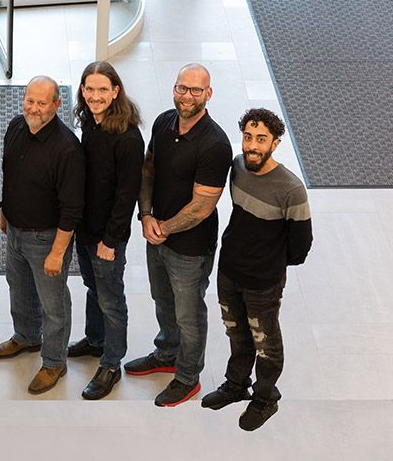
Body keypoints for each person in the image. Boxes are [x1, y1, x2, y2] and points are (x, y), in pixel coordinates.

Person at [126, 63, 233, 407]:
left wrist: (163, 227)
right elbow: (147, 170)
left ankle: (187, 376)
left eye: (196, 90)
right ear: (174, 89)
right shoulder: (162, 122)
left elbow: (202, 206)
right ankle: (166, 353)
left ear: (209, 94)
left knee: (189, 313)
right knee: (162, 298)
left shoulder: (215, 144)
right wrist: (145, 216)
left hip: (190, 246)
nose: (187, 96)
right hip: (155, 232)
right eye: (182, 88)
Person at [202, 108, 312, 431]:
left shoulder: (291, 190)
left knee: (265, 341)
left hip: (263, 282)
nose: (252, 145)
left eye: (260, 139)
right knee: (236, 332)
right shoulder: (238, 167)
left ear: (275, 143)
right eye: (248, 137)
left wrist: (269, 263)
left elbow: (301, 247)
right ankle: (236, 385)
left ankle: (265, 397)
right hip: (229, 271)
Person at [0, 76, 85, 395]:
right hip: (15, 230)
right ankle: (27, 336)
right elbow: (10, 173)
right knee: (18, 287)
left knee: (53, 303)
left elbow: (71, 209)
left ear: (57, 105)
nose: (34, 108)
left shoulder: (67, 149)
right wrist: (6, 213)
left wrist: (58, 253)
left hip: (47, 239)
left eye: (42, 103)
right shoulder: (17, 126)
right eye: (30, 100)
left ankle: (54, 361)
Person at [68, 61, 144, 400]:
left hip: (106, 237)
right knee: (92, 287)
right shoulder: (91, 122)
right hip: (86, 229)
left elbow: (126, 195)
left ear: (115, 92)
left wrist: (110, 241)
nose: (95, 96)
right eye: (90, 89)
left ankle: (111, 363)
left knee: (111, 298)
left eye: (103, 90)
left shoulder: (127, 138)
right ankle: (95, 339)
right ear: (83, 91)